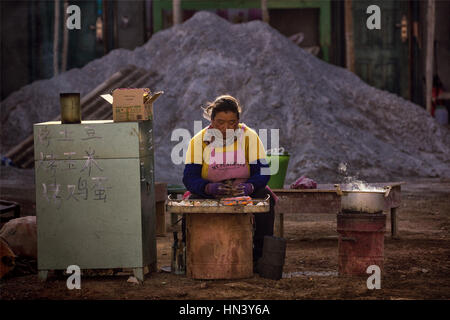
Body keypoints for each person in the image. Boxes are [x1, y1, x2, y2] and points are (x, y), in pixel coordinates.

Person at [182, 94, 276, 271]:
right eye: (220, 122)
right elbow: (189, 177)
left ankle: (259, 258)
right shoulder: (198, 141)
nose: (226, 128)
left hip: (244, 192)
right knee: (190, 206)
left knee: (265, 198)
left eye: (232, 123)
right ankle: (192, 256)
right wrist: (208, 187)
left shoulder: (250, 137)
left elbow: (263, 172)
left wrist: (250, 186)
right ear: (211, 122)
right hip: (210, 192)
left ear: (238, 122)